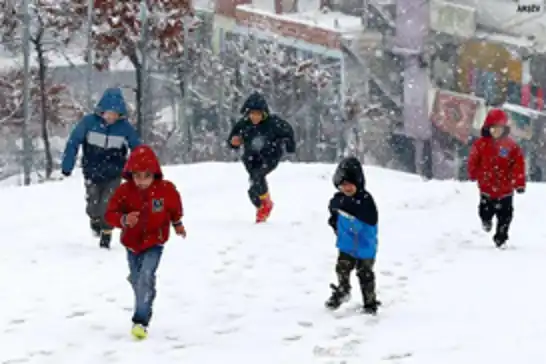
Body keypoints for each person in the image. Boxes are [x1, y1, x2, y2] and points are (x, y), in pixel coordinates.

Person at [104, 144, 186, 340]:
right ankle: (145, 289)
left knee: (145, 275)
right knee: (137, 278)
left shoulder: (166, 190)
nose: (141, 181)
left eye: (146, 176)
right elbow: (110, 214)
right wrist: (123, 220)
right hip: (132, 243)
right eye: (137, 176)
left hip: (155, 241)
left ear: (154, 174)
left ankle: (140, 320)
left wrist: (178, 224)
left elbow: (174, 208)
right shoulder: (124, 191)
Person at [61, 88, 141, 249]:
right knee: (93, 203)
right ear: (101, 111)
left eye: (115, 114)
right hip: (92, 171)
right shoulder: (89, 123)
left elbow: (138, 148)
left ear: (120, 115)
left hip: (114, 173)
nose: (111, 117)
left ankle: (106, 233)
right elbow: (73, 142)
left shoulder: (124, 128)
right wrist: (67, 165)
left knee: (109, 204)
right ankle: (95, 220)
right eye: (108, 113)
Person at [227, 91, 296, 222]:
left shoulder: (273, 123)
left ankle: (264, 208)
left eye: (258, 114)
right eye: (252, 114)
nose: (255, 117)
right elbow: (233, 139)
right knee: (254, 186)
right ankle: (264, 204)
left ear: (264, 113)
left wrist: (289, 145)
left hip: (270, 156)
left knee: (258, 177)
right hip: (250, 158)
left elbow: (288, 131)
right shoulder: (243, 124)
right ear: (247, 114)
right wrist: (233, 142)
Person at [325, 157, 380, 315]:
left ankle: (369, 302)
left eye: (350, 185)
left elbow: (370, 218)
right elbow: (334, 216)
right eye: (343, 185)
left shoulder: (365, 200)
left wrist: (350, 208)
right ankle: (343, 290)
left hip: (365, 246)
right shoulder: (338, 200)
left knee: (365, 273)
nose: (346, 188)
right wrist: (335, 223)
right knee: (342, 268)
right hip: (347, 244)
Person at [468, 108, 526, 248]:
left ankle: (501, 238)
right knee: (485, 211)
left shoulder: (511, 146)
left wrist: (519, 183)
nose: (496, 131)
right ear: (488, 128)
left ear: (504, 129)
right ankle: (486, 221)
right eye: (493, 128)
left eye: (499, 128)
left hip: (505, 190)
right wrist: (473, 173)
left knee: (505, 216)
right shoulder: (480, 145)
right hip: (487, 188)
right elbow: (473, 160)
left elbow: (518, 165)